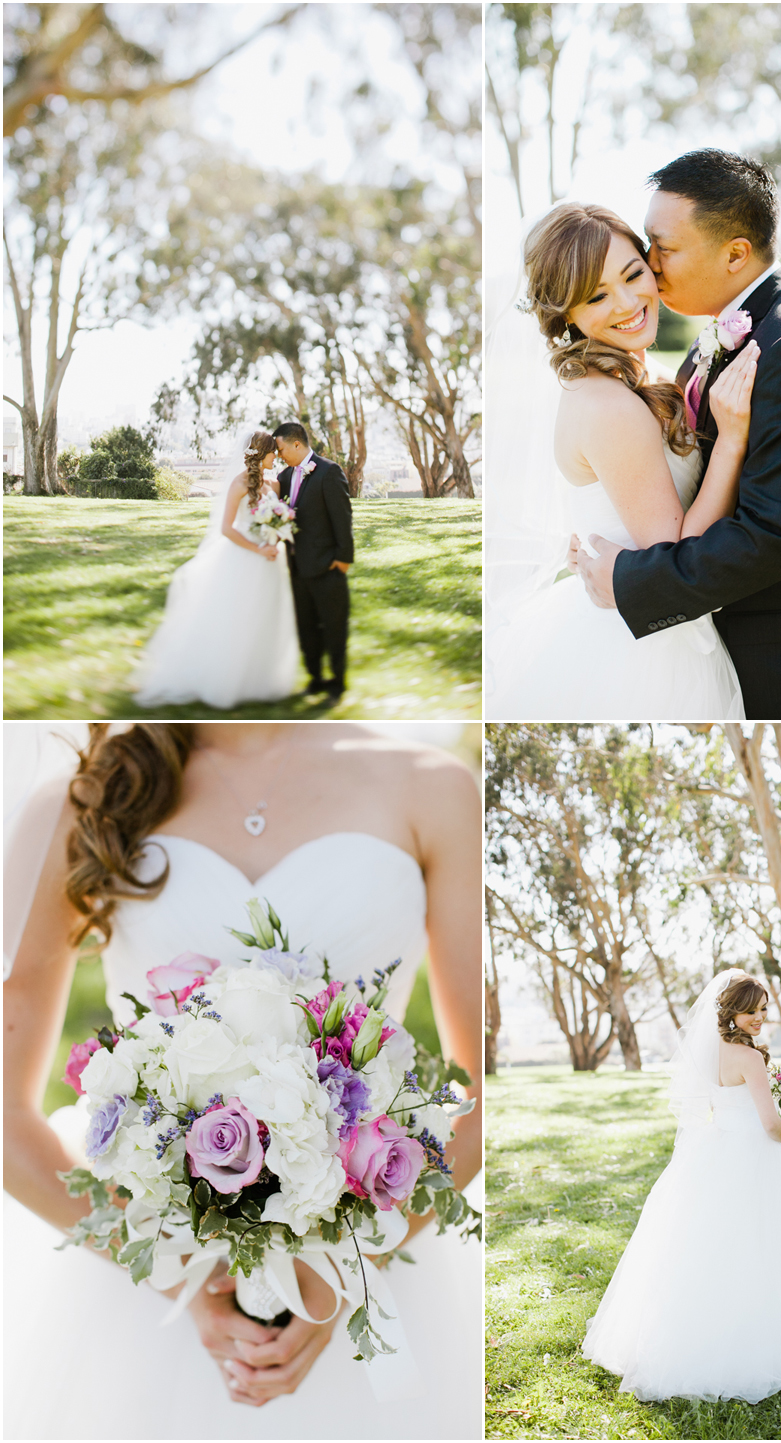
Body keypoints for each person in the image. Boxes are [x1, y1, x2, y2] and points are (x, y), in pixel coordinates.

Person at [4, 721, 482, 1440]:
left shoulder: (434, 787)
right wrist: (176, 1272)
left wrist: (347, 1264)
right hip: (146, 1317)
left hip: (373, 1268)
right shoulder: (85, 800)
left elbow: (490, 1089)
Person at [572, 149, 781, 721]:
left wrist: (629, 582)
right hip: (750, 652)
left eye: (665, 247)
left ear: (735, 254)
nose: (650, 265)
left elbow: (775, 534)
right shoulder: (732, 332)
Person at [485, 203, 752, 720]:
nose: (629, 302)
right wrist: (732, 443)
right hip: (648, 646)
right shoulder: (607, 404)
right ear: (567, 315)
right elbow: (675, 555)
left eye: (633, 275)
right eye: (597, 296)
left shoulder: (625, 375)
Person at [582, 970, 781, 1403]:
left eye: (764, 1010)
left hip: (715, 1149)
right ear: (735, 1011)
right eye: (754, 1011)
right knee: (753, 1243)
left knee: (705, 1245)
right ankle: (746, 1339)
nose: (761, 1018)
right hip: (751, 1153)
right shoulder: (749, 1058)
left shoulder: (710, 1053)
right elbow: (768, 1122)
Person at [132, 426, 300, 709]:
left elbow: (277, 517)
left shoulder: (274, 485)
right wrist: (259, 548)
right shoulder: (238, 485)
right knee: (240, 618)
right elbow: (226, 529)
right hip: (245, 558)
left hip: (271, 561)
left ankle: (260, 680)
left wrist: (277, 538)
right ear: (261, 453)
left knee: (266, 615)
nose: (277, 457)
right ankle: (230, 681)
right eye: (273, 452)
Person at [274, 422, 354, 701]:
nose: (280, 454)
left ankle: (338, 682)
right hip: (296, 567)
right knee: (306, 628)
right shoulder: (283, 477)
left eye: (282, 448)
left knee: (334, 627)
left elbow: (343, 518)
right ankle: (316, 679)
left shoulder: (329, 472)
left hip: (327, 566)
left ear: (297, 444)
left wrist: (343, 559)